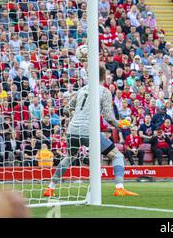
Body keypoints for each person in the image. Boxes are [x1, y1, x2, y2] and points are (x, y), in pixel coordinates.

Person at [44, 66, 138, 197]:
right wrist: (120, 125)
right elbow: (109, 118)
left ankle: (50, 188)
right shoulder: (104, 91)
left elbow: (65, 109)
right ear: (104, 76)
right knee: (117, 156)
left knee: (69, 157)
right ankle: (119, 188)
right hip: (89, 130)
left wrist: (76, 115)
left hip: (72, 129)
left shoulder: (81, 90)